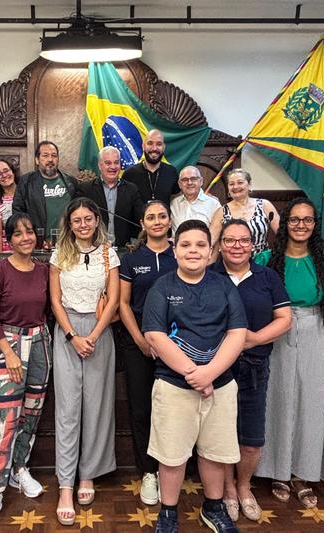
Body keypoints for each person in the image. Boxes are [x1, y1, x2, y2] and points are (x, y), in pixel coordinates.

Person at [143, 219, 248, 533]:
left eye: (200, 245)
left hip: (220, 386)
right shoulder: (162, 287)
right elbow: (154, 335)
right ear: (175, 250)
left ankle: (213, 508)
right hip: (173, 386)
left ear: (211, 251)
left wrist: (210, 373)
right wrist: (194, 374)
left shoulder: (224, 286)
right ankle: (168, 512)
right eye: (186, 245)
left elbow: (237, 333)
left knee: (214, 453)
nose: (193, 251)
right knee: (171, 455)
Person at [254, 197, 324, 509]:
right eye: (295, 219)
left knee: (311, 402)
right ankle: (277, 470)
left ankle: (303, 473)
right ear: (284, 223)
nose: (301, 225)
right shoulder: (265, 259)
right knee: (278, 399)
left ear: (315, 225)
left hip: (316, 330)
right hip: (276, 330)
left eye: (308, 220)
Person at [209, 219, 291, 522]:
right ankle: (228, 489)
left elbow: (284, 318)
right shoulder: (208, 275)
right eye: (230, 240)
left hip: (255, 365)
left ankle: (244, 486)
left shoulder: (267, 276)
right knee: (221, 434)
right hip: (217, 368)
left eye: (243, 240)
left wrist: (254, 339)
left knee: (252, 438)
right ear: (220, 245)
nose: (237, 246)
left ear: (253, 245)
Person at [0, 213, 52, 529]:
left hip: (40, 344)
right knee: (7, 418)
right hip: (10, 344)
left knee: (31, 414)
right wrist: (7, 352)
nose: (25, 238)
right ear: (8, 239)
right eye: (18, 233)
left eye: (29, 232)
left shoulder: (44, 270)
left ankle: (19, 468)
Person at [49, 198, 119, 525]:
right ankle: (66, 484)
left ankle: (88, 473)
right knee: (67, 408)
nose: (83, 225)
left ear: (96, 220)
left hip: (99, 330)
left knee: (96, 404)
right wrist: (72, 336)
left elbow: (114, 299)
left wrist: (93, 335)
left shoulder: (108, 253)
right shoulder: (59, 254)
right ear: (70, 223)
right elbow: (54, 300)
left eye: (88, 219)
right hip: (67, 332)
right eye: (77, 220)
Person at [116, 200, 177, 506]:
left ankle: (171, 468)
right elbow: (123, 303)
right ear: (142, 223)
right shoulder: (131, 259)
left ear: (169, 221)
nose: (157, 221)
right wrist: (140, 340)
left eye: (162, 216)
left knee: (173, 409)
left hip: (177, 345)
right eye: (150, 217)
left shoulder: (180, 254)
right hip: (138, 344)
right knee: (141, 409)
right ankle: (148, 472)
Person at [79, 146, 144, 247]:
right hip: (93, 248)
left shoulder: (131, 189)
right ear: (99, 165)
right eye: (108, 163)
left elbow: (140, 218)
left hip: (123, 249)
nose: (113, 167)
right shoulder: (86, 189)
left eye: (116, 162)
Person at [13, 140, 80, 237]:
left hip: (68, 239)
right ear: (37, 160)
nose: (50, 159)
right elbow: (18, 212)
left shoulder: (71, 182)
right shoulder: (26, 182)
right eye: (45, 155)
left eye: (54, 155)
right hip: (38, 240)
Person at [209, 169, 280, 255]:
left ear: (249, 185)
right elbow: (210, 241)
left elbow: (282, 233)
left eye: (240, 182)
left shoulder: (264, 205)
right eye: (231, 184)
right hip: (233, 258)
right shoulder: (222, 212)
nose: (235, 187)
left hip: (261, 260)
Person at [122, 129, 180, 206]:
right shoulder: (129, 174)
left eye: (159, 144)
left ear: (163, 147)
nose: (154, 148)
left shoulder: (172, 172)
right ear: (143, 146)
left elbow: (177, 202)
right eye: (150, 143)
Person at [169, 166, 221, 234]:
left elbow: (218, 232)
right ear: (179, 184)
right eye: (185, 180)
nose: (189, 183)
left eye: (193, 179)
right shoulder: (173, 204)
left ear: (201, 181)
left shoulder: (214, 204)